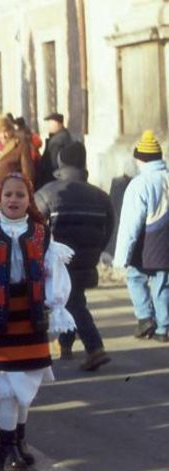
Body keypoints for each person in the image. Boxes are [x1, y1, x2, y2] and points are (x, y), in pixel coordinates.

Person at [0, 171, 75, 471]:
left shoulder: (41, 232)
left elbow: (54, 274)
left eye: (20, 195)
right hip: (1, 316)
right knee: (9, 384)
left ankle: (18, 440)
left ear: (28, 199)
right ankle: (5, 445)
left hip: (31, 315)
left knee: (29, 379)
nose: (13, 200)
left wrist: (55, 303)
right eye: (8, 194)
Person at [35, 142, 114, 370]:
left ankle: (95, 348)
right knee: (74, 297)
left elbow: (36, 228)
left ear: (60, 163)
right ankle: (65, 344)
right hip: (87, 258)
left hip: (58, 258)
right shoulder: (102, 196)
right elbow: (109, 228)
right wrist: (95, 250)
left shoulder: (47, 193)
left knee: (74, 302)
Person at [114, 131, 169, 342]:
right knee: (163, 282)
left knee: (135, 277)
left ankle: (145, 318)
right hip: (165, 242)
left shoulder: (139, 184)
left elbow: (130, 223)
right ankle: (164, 328)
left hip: (147, 243)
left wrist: (121, 257)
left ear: (140, 159)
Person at [0, 116, 34, 216]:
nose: (3, 136)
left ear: (11, 131)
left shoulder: (20, 145)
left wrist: (27, 192)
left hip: (11, 195)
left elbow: (27, 172)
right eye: (0, 132)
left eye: (6, 132)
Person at [40, 112, 73, 189]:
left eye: (51, 123)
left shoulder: (58, 140)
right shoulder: (62, 135)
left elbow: (53, 163)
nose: (49, 126)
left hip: (52, 179)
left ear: (58, 124)